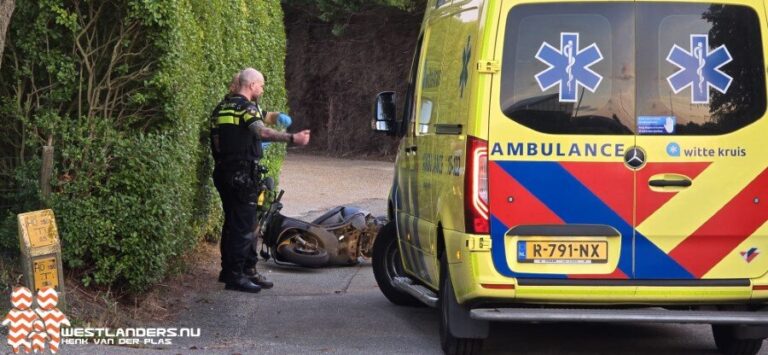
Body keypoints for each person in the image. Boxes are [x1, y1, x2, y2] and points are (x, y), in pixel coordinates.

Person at [211, 68, 310, 293]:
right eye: (261, 85)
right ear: (251, 85)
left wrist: (276, 118)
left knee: (233, 223)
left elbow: (259, 118)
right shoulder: (246, 108)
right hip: (242, 174)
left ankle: (232, 271)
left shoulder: (222, 108)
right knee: (244, 227)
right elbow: (261, 131)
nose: (262, 89)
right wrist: (292, 138)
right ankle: (236, 276)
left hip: (224, 171)